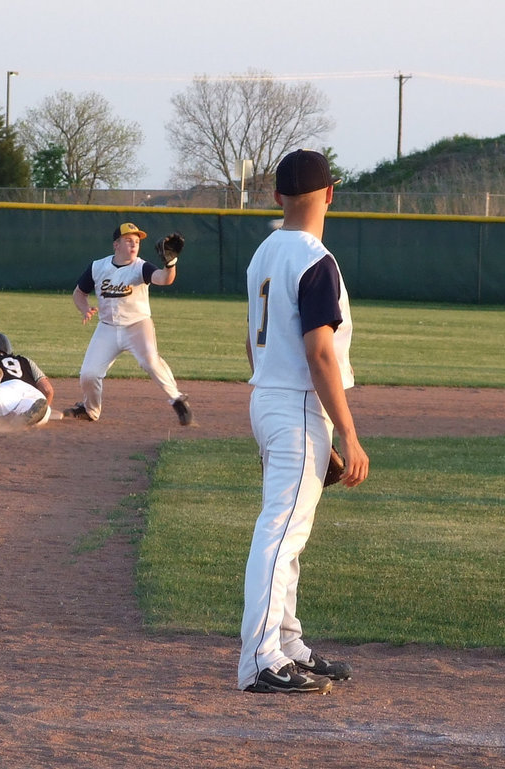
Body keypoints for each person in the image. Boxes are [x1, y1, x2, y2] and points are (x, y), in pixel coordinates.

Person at [238, 149, 370, 695]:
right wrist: (347, 431)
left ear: (277, 197)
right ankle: (260, 660)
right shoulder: (317, 259)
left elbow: (251, 342)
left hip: (271, 398)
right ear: (330, 194)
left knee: (289, 532)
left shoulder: (263, 253)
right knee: (280, 532)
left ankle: (287, 644)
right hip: (295, 403)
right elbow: (320, 354)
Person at [62, 221, 193, 425]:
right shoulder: (98, 267)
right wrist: (84, 308)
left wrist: (171, 263)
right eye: (129, 241)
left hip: (137, 325)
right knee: (89, 374)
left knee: (150, 361)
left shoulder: (141, 267)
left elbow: (164, 279)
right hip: (107, 328)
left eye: (137, 242)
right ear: (116, 245)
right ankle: (90, 410)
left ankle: (178, 399)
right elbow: (79, 293)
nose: (134, 245)